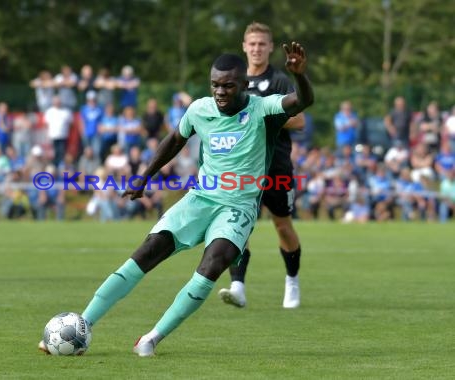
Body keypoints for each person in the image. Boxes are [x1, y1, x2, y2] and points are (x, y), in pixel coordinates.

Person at [38, 42, 314, 356]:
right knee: (147, 251)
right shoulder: (199, 109)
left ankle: (151, 339)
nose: (220, 91)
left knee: (213, 264)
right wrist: (144, 176)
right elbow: (174, 140)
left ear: (244, 85)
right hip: (200, 199)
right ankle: (82, 324)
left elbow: (304, 100)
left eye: (228, 85)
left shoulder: (263, 110)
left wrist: (300, 77)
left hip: (238, 207)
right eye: (215, 85)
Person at [218, 22, 306, 309]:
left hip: (275, 168)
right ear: (244, 46)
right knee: (237, 226)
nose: (256, 49)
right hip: (242, 169)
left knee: (282, 226)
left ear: (270, 48)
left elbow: (300, 120)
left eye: (261, 44)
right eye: (251, 44)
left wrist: (262, 116)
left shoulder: (279, 81)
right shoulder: (233, 79)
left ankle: (292, 280)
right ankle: (238, 286)